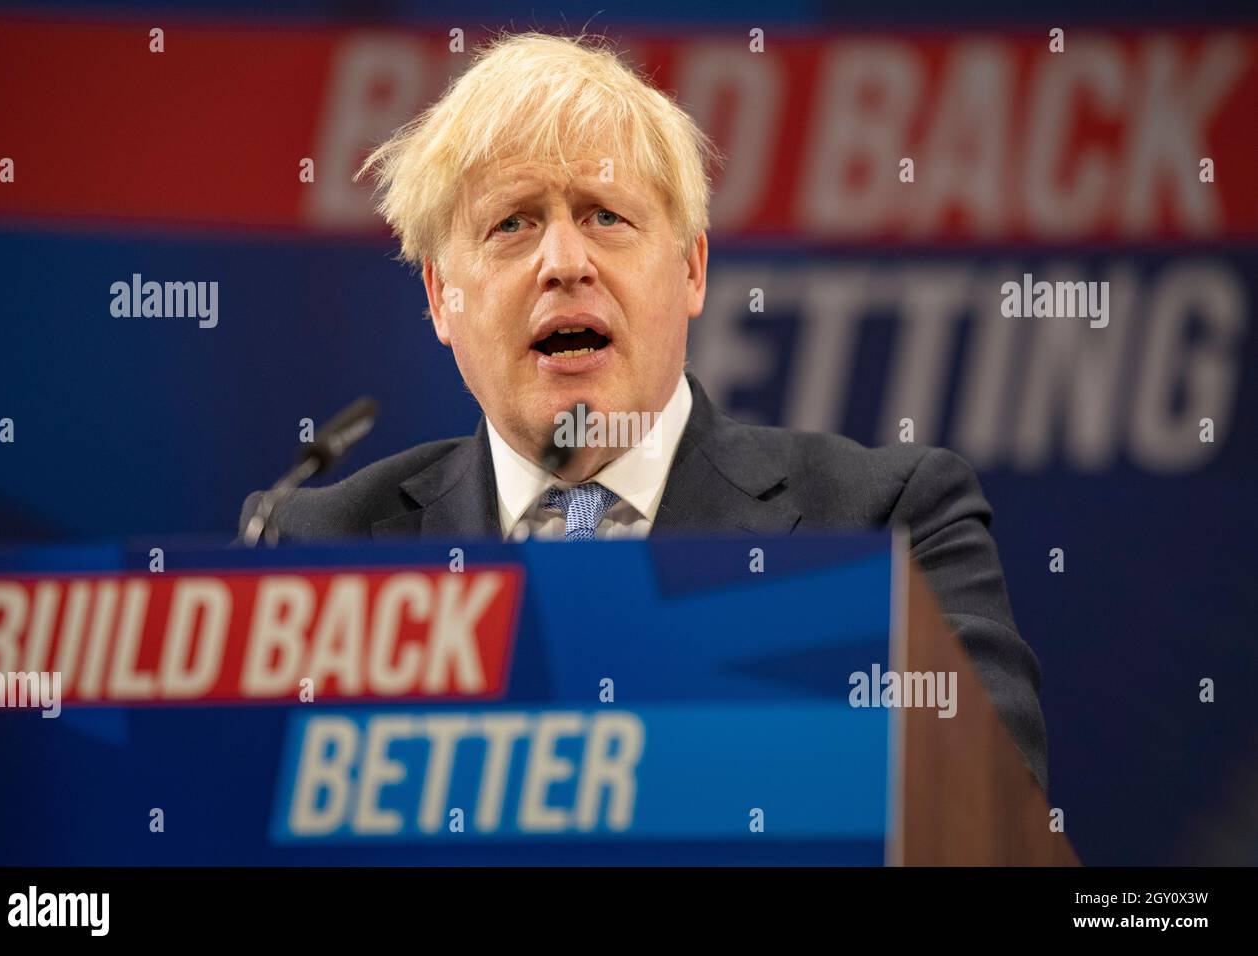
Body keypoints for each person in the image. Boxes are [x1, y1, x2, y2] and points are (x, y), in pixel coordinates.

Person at [240, 31, 1048, 792]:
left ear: (692, 270)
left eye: (605, 216)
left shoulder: (887, 527)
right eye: (512, 224)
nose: (563, 262)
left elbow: (979, 804)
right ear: (441, 299)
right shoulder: (318, 553)